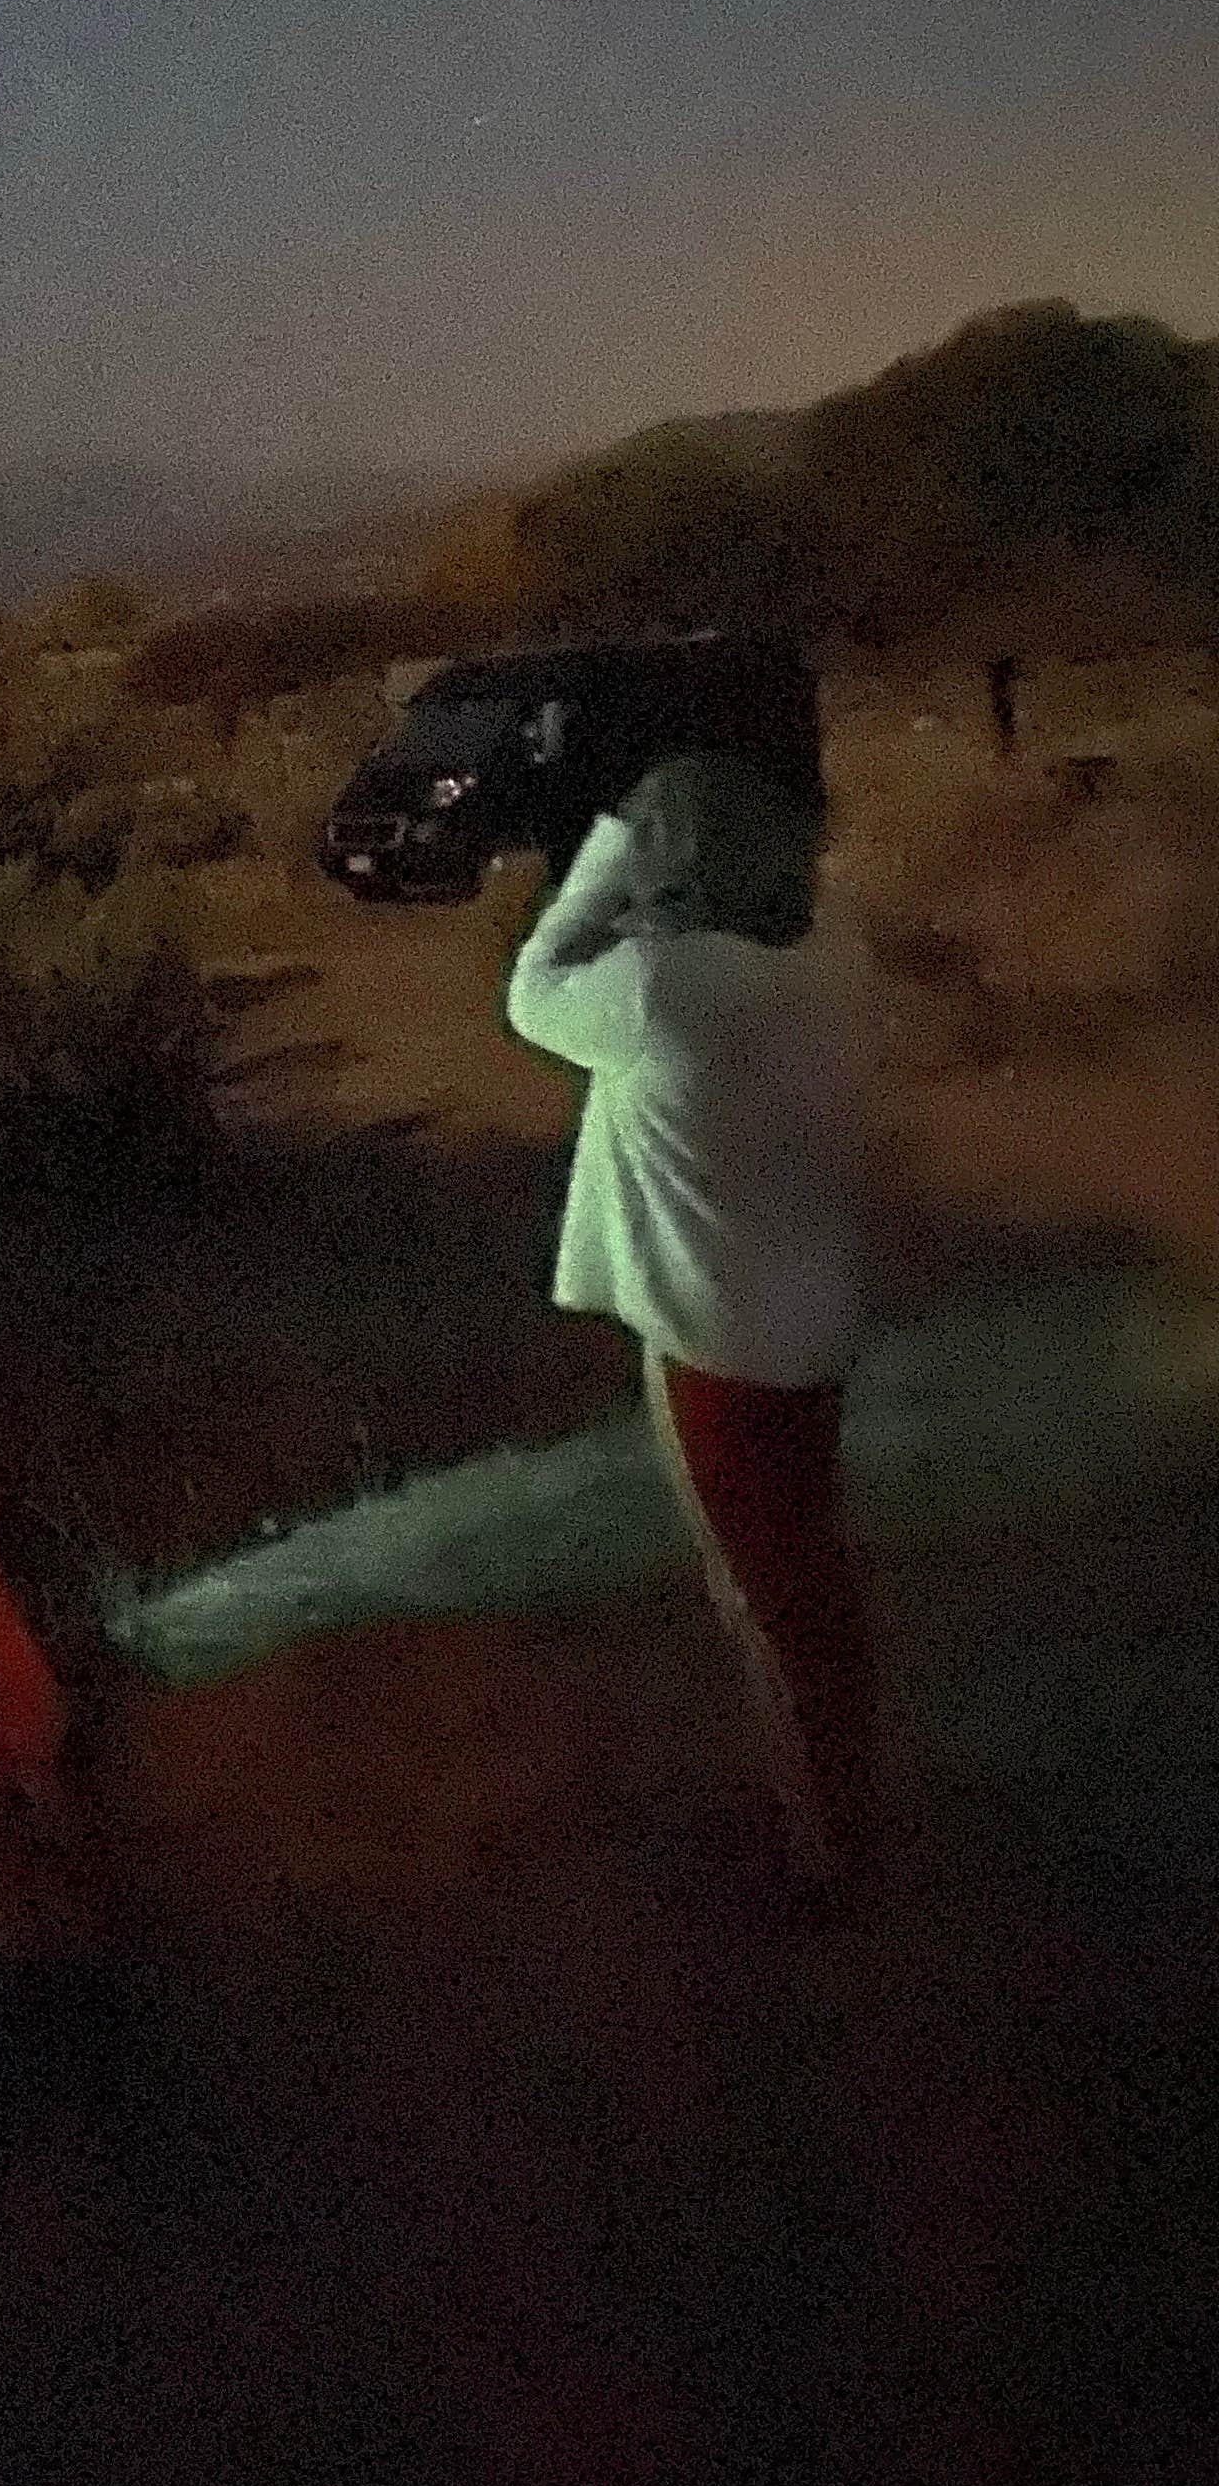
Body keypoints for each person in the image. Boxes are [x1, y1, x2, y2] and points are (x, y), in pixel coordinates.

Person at [505, 751, 887, 1907]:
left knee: (763, 1597)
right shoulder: (829, 966)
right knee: (808, 1571)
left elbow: (530, 986)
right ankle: (833, 1798)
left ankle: (829, 1853)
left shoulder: (656, 988)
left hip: (716, 1342)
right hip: (814, 1321)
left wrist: (606, 850)